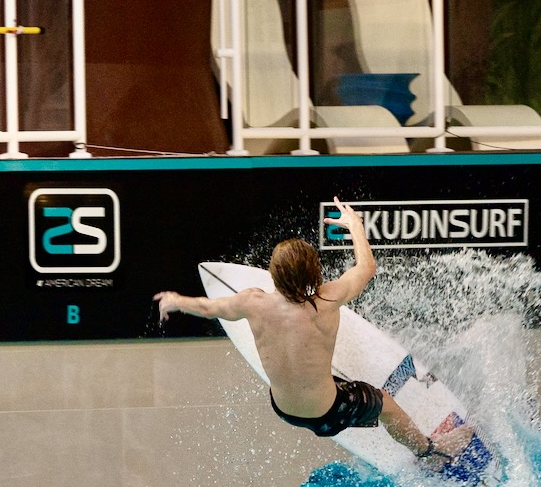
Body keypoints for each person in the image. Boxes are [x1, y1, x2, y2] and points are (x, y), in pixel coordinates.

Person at [154, 198, 473, 469]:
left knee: (313, 370)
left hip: (283, 408)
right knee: (384, 402)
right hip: (329, 413)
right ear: (315, 273)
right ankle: (428, 451)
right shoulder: (328, 300)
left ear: (273, 276)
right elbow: (366, 268)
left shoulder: (252, 302)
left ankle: (325, 384)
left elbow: (210, 309)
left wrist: (177, 301)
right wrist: (355, 226)